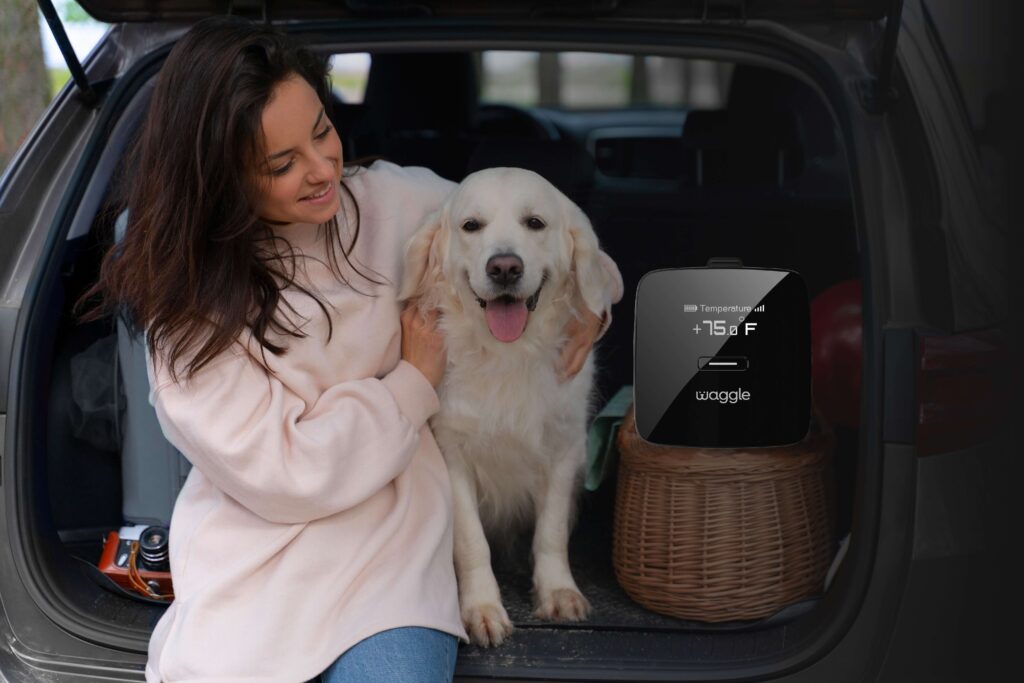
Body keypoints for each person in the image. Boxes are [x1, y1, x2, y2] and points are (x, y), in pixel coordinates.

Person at [79, 15, 620, 683]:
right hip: (258, 562)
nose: (322, 169)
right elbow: (288, 471)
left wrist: (593, 306)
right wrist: (411, 385)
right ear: (222, 179)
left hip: (395, 561)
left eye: (321, 132)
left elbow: (536, 235)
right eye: (282, 164)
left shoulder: (396, 200)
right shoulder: (187, 312)